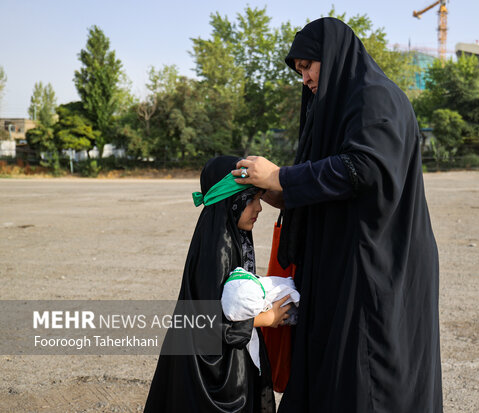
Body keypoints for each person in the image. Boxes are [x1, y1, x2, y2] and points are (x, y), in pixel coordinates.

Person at [232, 18, 443, 413]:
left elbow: (363, 170)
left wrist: (281, 175)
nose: (305, 78)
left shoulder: (375, 97)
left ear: (334, 57)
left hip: (375, 265)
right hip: (345, 262)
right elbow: (334, 187)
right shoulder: (342, 106)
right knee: (334, 373)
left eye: (308, 66)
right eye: (299, 71)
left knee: (368, 376)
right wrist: (276, 191)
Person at [144, 156, 291, 413]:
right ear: (233, 203)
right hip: (210, 373)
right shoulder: (218, 248)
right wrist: (268, 318)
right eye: (251, 200)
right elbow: (209, 321)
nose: (259, 208)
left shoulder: (225, 235)